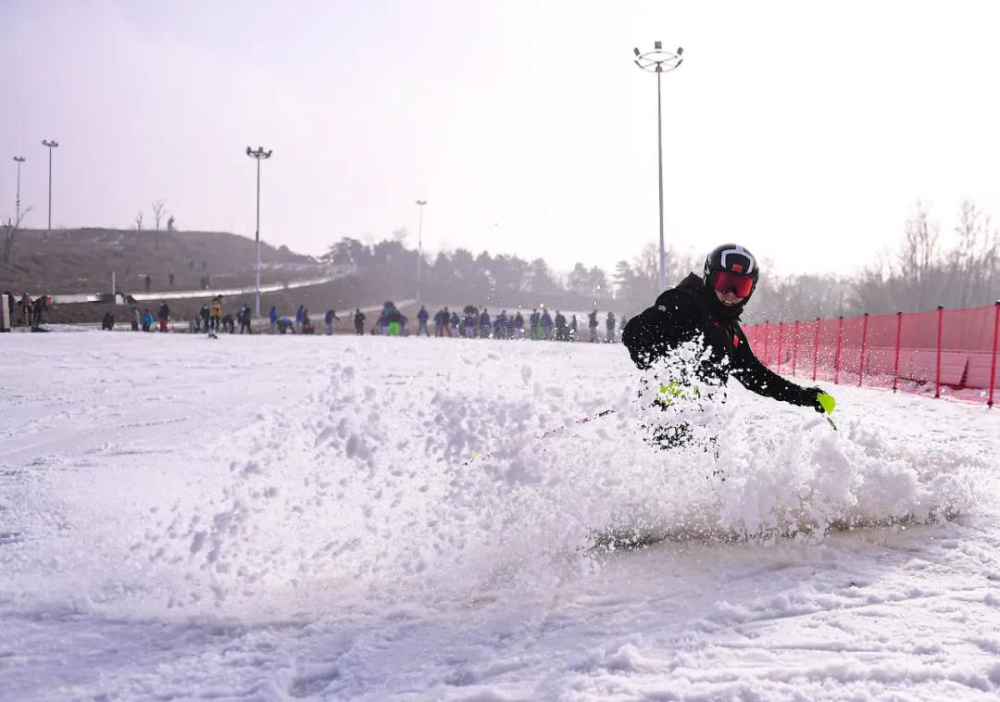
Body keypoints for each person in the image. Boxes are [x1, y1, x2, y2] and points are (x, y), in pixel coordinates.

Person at [622, 243, 833, 449]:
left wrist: (805, 396)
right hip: (664, 419)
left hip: (704, 426)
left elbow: (756, 377)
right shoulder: (684, 302)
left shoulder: (729, 330)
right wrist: (668, 376)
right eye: (725, 283)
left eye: (741, 287)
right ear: (710, 277)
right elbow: (634, 333)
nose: (731, 294)